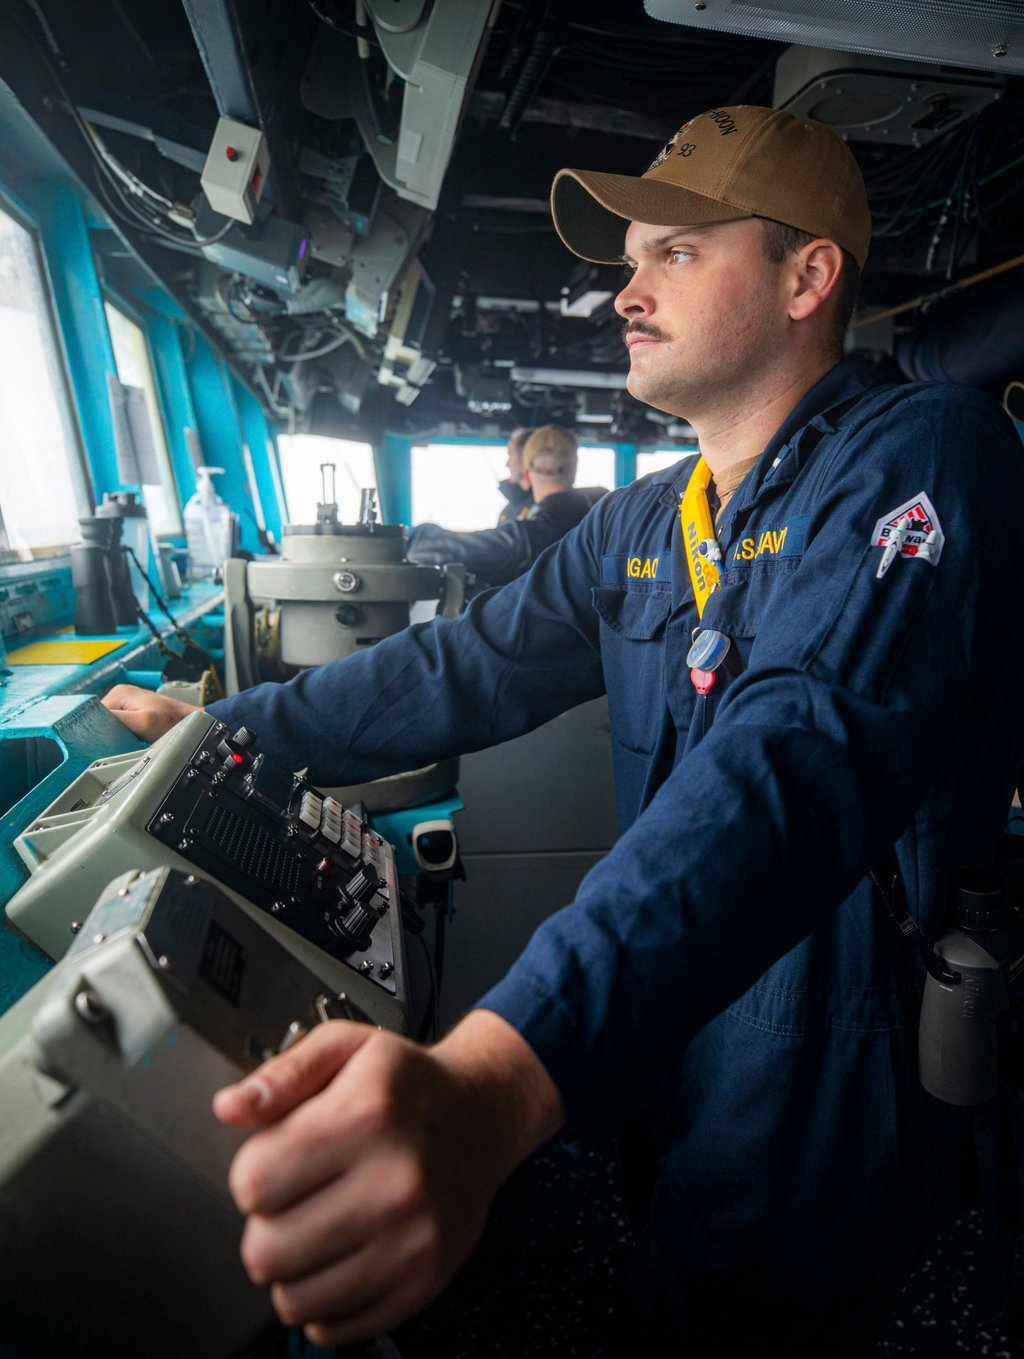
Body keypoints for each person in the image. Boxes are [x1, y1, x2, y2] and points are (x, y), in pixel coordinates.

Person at [102, 103, 1024, 1355]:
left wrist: (496, 1077)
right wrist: (234, 732)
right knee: (658, 1251)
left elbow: (791, 756)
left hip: (823, 1024)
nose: (625, 291)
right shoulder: (648, 521)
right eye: (631, 258)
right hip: (667, 997)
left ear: (809, 276)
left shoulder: (923, 453)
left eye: (677, 254)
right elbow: (463, 667)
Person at [406, 425, 608, 588]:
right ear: (574, 470)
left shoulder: (526, 538)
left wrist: (413, 537)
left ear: (527, 474)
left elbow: (443, 550)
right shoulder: (603, 516)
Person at [496, 426, 534, 524]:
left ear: (526, 457)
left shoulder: (543, 508)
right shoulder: (507, 512)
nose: (507, 464)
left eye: (510, 454)